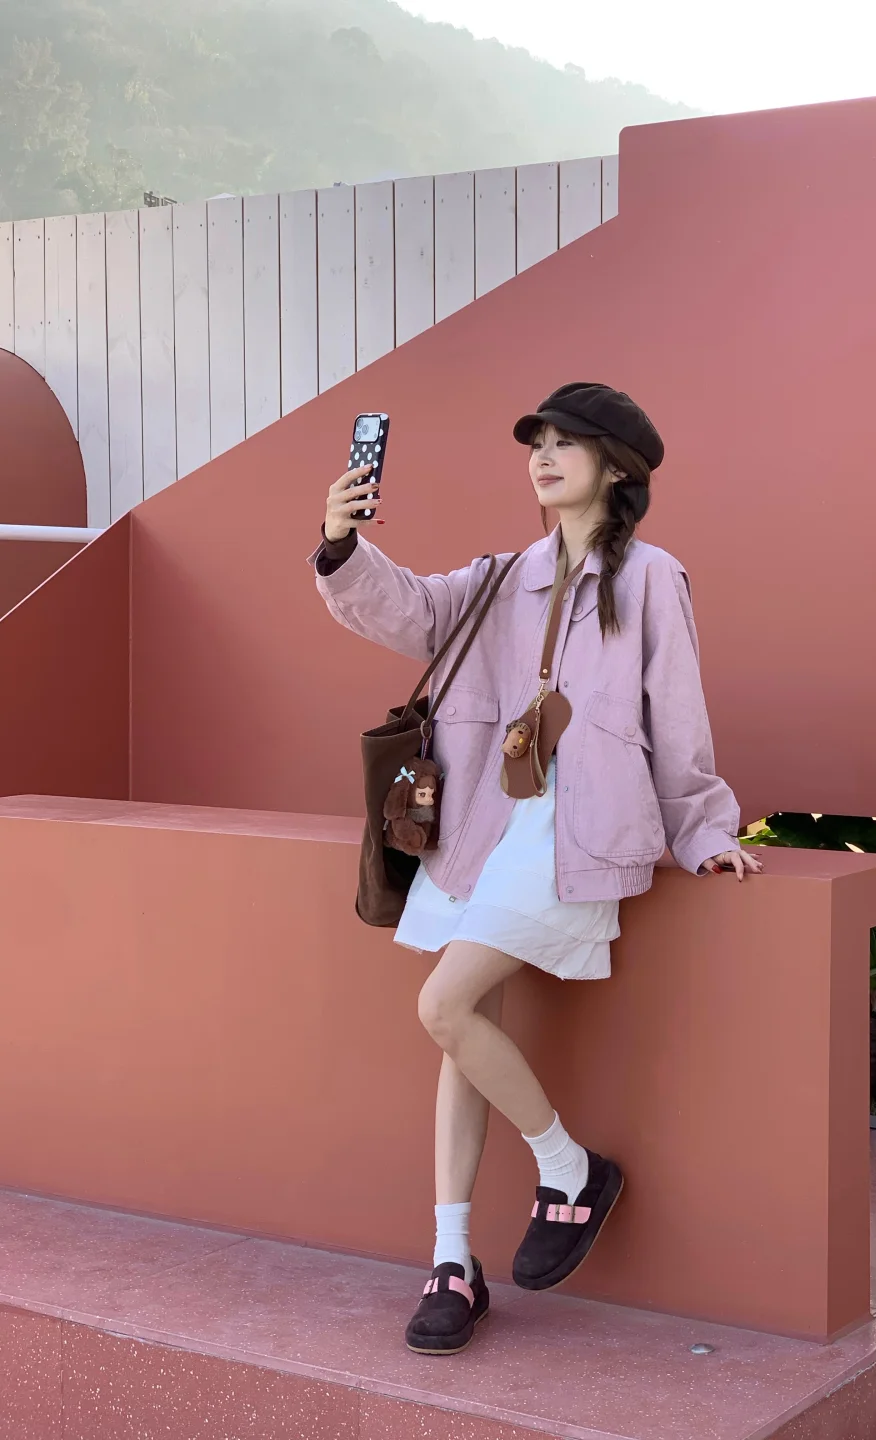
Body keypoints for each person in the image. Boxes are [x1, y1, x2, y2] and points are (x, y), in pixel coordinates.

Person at [312, 382, 764, 1356]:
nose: (545, 458)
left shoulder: (652, 579)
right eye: (538, 443)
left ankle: (569, 1169)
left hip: (574, 834)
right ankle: (451, 1261)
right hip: (484, 826)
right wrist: (342, 545)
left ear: (618, 467)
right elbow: (411, 613)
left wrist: (703, 830)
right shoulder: (498, 578)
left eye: (568, 443)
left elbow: (677, 716)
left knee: (444, 1006)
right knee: (461, 1030)